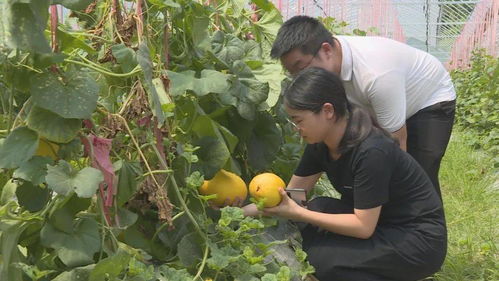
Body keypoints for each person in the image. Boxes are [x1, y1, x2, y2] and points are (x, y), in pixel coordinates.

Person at [243, 68, 447, 281]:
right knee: (316, 207)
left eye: (299, 120)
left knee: (321, 261)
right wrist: (236, 211)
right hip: (380, 221)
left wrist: (298, 213)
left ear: (328, 111)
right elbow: (291, 196)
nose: (296, 128)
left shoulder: (372, 151)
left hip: (417, 239)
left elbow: (363, 227)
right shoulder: (321, 142)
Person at [270, 15, 456, 199]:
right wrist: (288, 203)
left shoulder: (375, 75)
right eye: (292, 73)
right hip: (376, 101)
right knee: (325, 135)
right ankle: (297, 200)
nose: (299, 78)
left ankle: (423, 225)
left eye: (301, 68)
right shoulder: (327, 70)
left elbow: (397, 143)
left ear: (326, 50)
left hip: (427, 99)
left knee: (419, 175)